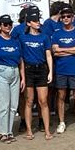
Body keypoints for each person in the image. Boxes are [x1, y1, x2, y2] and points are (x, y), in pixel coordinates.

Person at [0, 14, 23, 142]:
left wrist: (23, 77)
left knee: (14, 105)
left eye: (10, 24)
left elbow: (20, 60)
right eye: (5, 24)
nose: (8, 26)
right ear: (0, 26)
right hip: (0, 72)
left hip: (14, 71)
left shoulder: (15, 40)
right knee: (3, 105)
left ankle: (9, 131)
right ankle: (3, 133)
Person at [51, 5, 75, 134]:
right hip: (61, 69)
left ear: (73, 18)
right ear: (61, 19)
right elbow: (55, 51)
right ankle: (61, 122)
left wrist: (63, 50)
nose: (66, 18)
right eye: (63, 17)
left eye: (68, 16)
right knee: (61, 96)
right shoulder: (56, 34)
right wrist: (73, 50)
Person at [18, 8, 53, 140]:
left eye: (38, 20)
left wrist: (51, 72)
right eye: (34, 21)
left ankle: (47, 130)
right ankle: (28, 130)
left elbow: (48, 55)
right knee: (29, 101)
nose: (37, 22)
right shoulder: (22, 37)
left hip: (42, 69)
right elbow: (20, 58)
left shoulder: (44, 37)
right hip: (28, 70)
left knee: (43, 101)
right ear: (28, 23)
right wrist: (22, 76)